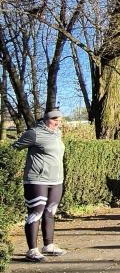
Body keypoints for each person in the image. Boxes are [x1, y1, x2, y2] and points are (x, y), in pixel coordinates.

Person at [12, 108, 67, 261]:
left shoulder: (57, 134)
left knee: (50, 212)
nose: (57, 123)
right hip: (37, 180)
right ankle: (32, 250)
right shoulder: (34, 133)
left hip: (56, 180)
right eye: (54, 119)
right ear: (45, 119)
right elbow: (14, 148)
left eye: (59, 120)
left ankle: (48, 245)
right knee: (36, 213)